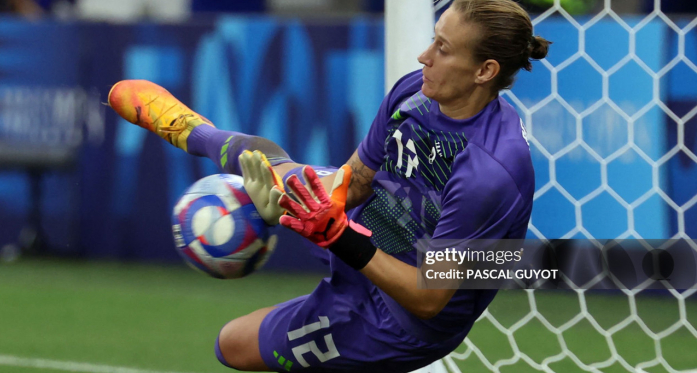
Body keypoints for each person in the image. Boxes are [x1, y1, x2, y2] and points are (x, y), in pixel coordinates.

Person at [108, 0, 550, 371]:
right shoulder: (415, 92)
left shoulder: (491, 170)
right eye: (434, 38)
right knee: (271, 166)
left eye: (443, 48)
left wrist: (338, 235)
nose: (423, 56)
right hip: (363, 256)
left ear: (485, 70)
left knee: (233, 345)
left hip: (402, 324)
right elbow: (354, 181)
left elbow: (430, 297)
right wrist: (285, 203)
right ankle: (196, 133)